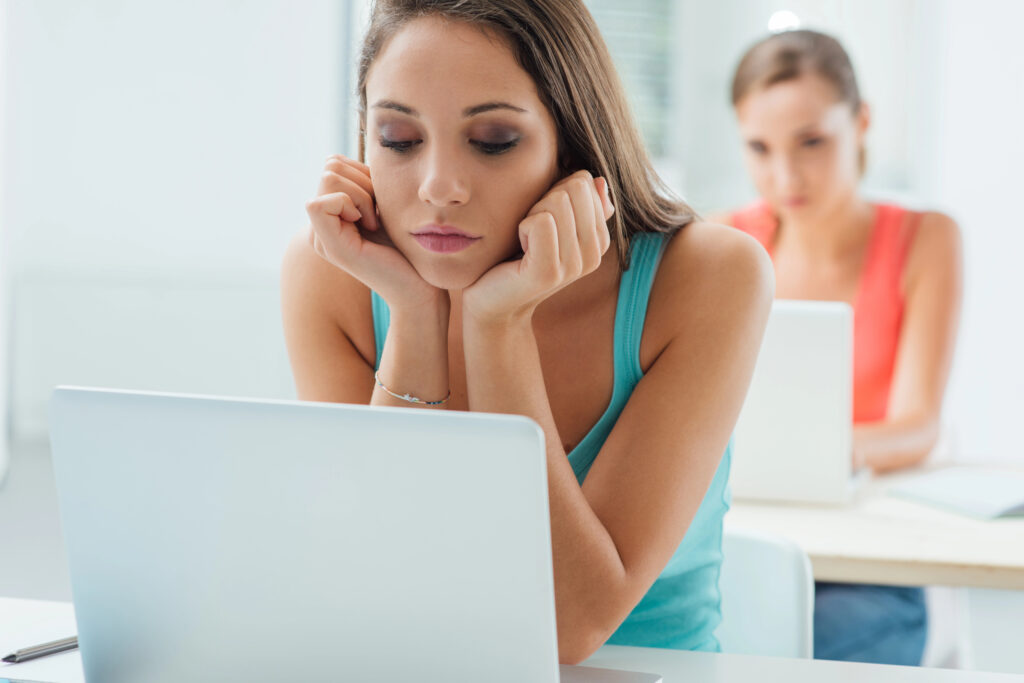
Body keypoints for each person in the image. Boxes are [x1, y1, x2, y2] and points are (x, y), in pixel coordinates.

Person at [281, 0, 772, 665]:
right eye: (398, 137)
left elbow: (567, 627)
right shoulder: (331, 273)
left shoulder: (709, 277)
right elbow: (374, 593)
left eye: (492, 142)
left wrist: (498, 324)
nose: (439, 186)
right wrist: (415, 315)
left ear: (569, 145)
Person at [717, 29, 963, 665]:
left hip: (865, 555)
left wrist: (807, 455)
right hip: (746, 533)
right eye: (759, 148)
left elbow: (917, 425)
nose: (785, 175)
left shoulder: (926, 239)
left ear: (862, 122)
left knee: (797, 647)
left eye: (812, 142)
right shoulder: (722, 244)